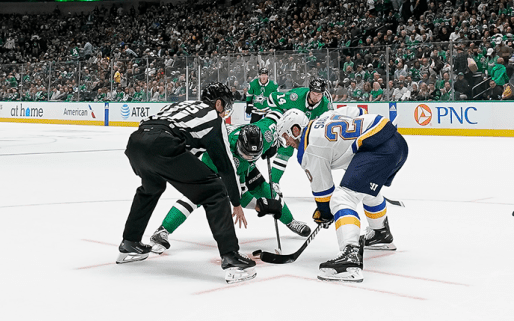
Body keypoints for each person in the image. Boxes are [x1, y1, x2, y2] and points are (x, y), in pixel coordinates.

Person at [115, 83, 256, 282]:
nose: (226, 110)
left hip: (136, 142)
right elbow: (225, 165)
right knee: (215, 192)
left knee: (151, 187)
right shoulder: (213, 118)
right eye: (226, 105)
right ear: (218, 103)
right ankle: (231, 256)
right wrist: (236, 201)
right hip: (162, 144)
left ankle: (130, 241)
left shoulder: (184, 105)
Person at [270, 105, 410, 282]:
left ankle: (349, 257)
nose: (286, 142)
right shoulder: (325, 116)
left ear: (295, 129)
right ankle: (380, 233)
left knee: (342, 198)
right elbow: (357, 111)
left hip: (378, 148)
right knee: (364, 189)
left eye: (285, 136)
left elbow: (324, 193)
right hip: (396, 142)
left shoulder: (309, 148)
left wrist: (324, 212)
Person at [148, 122, 312, 253]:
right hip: (214, 167)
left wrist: (274, 145)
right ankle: (162, 231)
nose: (250, 158)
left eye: (254, 155)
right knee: (195, 197)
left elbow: (274, 121)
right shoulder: (227, 157)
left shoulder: (265, 133)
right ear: (239, 147)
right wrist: (260, 205)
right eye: (247, 155)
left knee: (266, 190)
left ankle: (291, 221)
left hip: (242, 167)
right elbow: (239, 196)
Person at [266, 77, 331, 208]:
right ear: (310, 90)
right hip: (292, 127)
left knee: (315, 158)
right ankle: (273, 184)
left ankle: (321, 190)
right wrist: (281, 117)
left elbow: (329, 124)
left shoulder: (326, 105)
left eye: (319, 94)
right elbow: (271, 99)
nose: (316, 97)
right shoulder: (296, 96)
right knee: (286, 149)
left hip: (309, 131)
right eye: (314, 93)